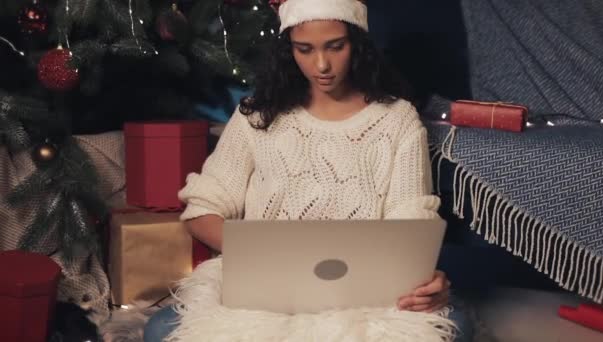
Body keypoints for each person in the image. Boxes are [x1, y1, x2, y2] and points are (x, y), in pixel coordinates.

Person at [144, 0, 472, 341]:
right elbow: (203, 207)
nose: (321, 65)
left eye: (335, 47)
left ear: (357, 43)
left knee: (455, 328)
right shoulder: (258, 115)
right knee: (159, 330)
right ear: (289, 50)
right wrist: (264, 254)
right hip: (264, 287)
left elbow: (411, 225)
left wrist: (422, 279)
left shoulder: (397, 119)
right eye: (305, 49)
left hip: (366, 295)